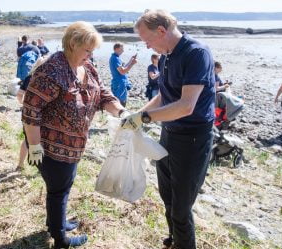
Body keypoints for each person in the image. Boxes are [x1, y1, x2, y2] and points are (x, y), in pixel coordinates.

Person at [22, 21, 125, 249]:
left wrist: (121, 111)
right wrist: (35, 145)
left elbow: (102, 93)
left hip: (75, 144)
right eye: (87, 50)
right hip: (50, 145)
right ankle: (61, 239)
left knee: (62, 187)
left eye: (92, 51)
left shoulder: (87, 67)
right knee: (59, 190)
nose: (90, 55)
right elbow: (31, 108)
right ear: (72, 44)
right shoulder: (52, 70)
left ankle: (55, 223)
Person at [121, 10, 215, 249]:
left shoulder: (196, 53)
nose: (146, 45)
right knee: (168, 196)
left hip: (193, 138)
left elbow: (185, 105)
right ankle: (174, 239)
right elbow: (165, 96)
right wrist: (137, 115)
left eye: (148, 40)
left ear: (161, 31)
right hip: (169, 134)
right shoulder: (165, 57)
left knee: (182, 206)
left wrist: (144, 117)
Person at [109, 42, 137, 106]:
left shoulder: (116, 57)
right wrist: (132, 64)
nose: (123, 51)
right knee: (121, 104)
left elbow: (124, 68)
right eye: (121, 49)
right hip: (119, 84)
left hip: (119, 83)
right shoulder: (115, 59)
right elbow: (122, 71)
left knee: (120, 103)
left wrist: (131, 61)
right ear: (116, 49)